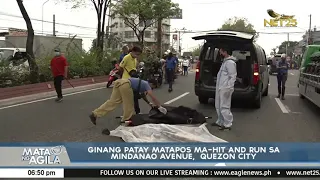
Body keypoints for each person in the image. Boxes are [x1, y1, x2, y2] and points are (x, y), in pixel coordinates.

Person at [89, 78, 167, 125]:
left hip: (120, 83)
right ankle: (125, 120)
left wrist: (149, 103)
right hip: (126, 85)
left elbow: (143, 95)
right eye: (153, 86)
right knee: (129, 105)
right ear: (151, 84)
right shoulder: (147, 84)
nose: (152, 88)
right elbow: (152, 96)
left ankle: (95, 114)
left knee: (112, 102)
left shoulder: (143, 83)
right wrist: (160, 106)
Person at [212, 47, 237, 131]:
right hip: (220, 87)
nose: (220, 54)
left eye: (221, 52)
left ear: (225, 52)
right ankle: (220, 121)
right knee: (218, 105)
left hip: (225, 88)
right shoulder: (225, 62)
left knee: (224, 106)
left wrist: (229, 87)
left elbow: (232, 76)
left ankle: (227, 124)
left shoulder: (230, 63)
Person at [119, 46, 141, 114]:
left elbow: (135, 68)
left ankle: (137, 112)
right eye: (136, 54)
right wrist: (122, 77)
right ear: (133, 52)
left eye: (138, 55)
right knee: (128, 99)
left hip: (133, 81)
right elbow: (120, 67)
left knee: (135, 97)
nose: (137, 56)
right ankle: (127, 114)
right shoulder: (126, 57)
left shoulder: (134, 59)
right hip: (126, 81)